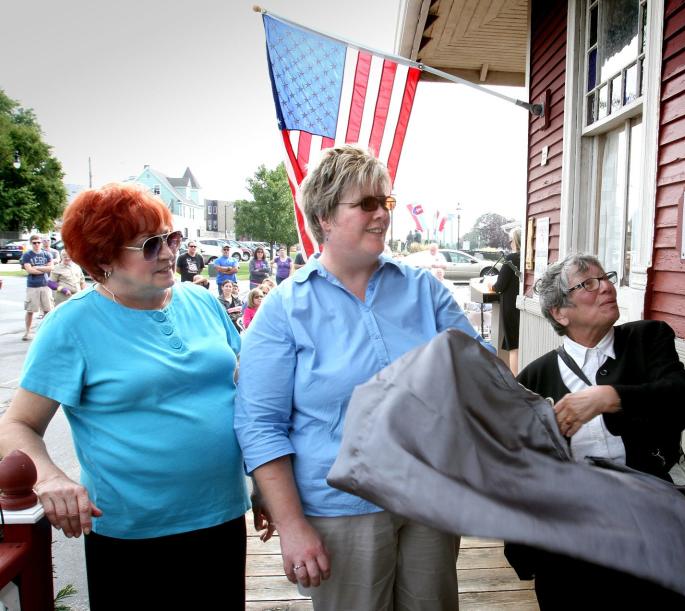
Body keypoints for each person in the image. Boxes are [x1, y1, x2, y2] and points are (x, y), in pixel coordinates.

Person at [235, 144, 489, 611]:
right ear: (325, 217)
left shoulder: (423, 290)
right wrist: (292, 526)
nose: (382, 215)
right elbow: (259, 425)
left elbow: (478, 369)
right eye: (366, 204)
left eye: (386, 203)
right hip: (341, 509)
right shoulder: (286, 308)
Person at [0, 183, 254, 609]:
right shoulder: (71, 325)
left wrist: (264, 481)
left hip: (223, 517)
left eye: (171, 239)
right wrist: (50, 476)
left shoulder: (202, 302)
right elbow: (16, 424)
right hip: (133, 534)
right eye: (151, 245)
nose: (171, 253)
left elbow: (244, 389)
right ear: (103, 259)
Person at [506, 253, 685, 610]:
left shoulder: (648, 339)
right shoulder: (533, 380)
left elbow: (680, 399)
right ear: (560, 313)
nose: (607, 287)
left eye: (605, 277)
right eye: (588, 284)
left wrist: (608, 397)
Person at [488, 228, 522, 374]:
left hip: (510, 306)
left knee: (513, 346)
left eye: (510, 240)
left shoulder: (511, 259)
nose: (509, 244)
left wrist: (491, 285)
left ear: (515, 241)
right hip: (521, 305)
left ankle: (516, 382)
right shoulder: (526, 259)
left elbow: (499, 286)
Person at [20, 234, 54, 341]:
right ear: (31, 243)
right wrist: (43, 269)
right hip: (32, 286)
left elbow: (51, 268)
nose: (37, 244)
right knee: (30, 310)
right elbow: (29, 270)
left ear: (41, 243)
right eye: (34, 243)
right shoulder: (27, 255)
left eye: (39, 242)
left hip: (45, 285)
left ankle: (47, 332)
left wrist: (38, 267)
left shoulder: (47, 254)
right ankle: (27, 332)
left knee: (47, 310)